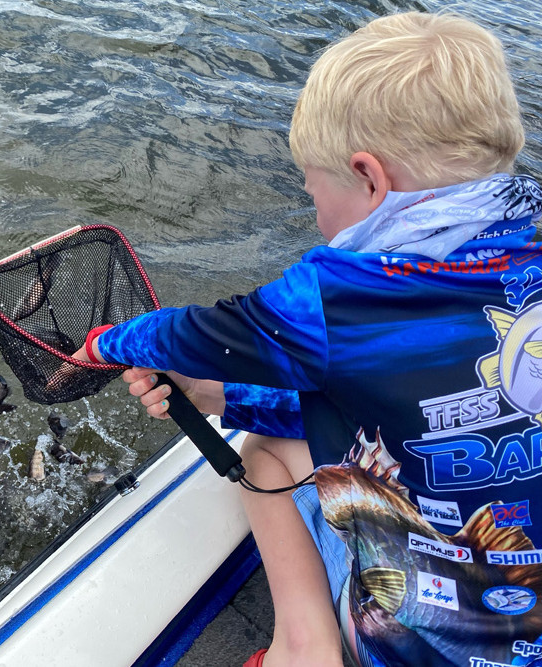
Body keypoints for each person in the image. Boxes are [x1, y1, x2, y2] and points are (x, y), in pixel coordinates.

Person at [72, 11, 542, 667]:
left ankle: (305, 649)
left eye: (313, 189)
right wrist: (220, 397)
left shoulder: (339, 295)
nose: (316, 216)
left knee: (265, 453)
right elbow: (406, 407)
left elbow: (195, 332)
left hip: (412, 648)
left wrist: (101, 344)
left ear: (370, 178)